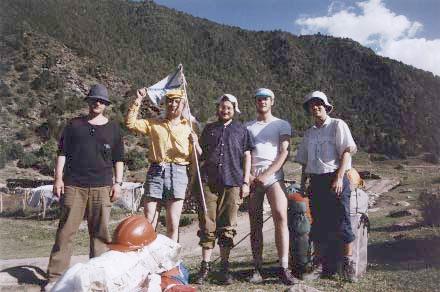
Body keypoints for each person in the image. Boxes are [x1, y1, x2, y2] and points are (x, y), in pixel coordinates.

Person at [45, 84, 124, 290]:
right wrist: (58, 179)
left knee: (100, 234)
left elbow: (119, 159)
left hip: (102, 186)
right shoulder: (73, 125)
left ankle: (96, 278)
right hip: (74, 185)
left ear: (106, 104)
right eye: (94, 99)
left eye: (102, 100)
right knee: (66, 231)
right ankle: (55, 278)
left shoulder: (114, 128)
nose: (97, 103)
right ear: (88, 101)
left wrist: (118, 183)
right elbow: (62, 153)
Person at [295, 90, 357, 281]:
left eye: (319, 103)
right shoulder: (309, 133)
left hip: (335, 177)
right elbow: (305, 162)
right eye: (312, 105)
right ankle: (321, 265)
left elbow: (347, 152)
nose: (315, 107)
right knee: (319, 224)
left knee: (342, 221)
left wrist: (339, 178)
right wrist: (303, 183)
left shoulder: (338, 125)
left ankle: (347, 265)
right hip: (316, 180)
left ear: (326, 106)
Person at [191, 94, 253, 285]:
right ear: (217, 108)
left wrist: (245, 182)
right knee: (207, 225)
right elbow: (201, 154)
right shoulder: (209, 129)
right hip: (209, 182)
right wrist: (194, 142)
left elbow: (247, 156)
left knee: (227, 227)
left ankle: (224, 268)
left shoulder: (242, 130)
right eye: (222, 107)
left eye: (228, 108)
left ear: (234, 109)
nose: (224, 110)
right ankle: (205, 267)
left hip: (232, 182)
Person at [125, 88, 194, 242]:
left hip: (179, 172)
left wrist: (193, 179)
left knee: (172, 223)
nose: (173, 104)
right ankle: (148, 255)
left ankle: (170, 260)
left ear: (183, 105)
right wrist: (138, 100)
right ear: (165, 103)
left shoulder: (189, 127)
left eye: (177, 101)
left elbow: (193, 156)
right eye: (170, 101)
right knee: (149, 219)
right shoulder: (154, 123)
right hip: (156, 170)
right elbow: (130, 123)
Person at [246, 88, 297, 285]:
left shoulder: (281, 124)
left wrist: (267, 174)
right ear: (255, 102)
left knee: (281, 217)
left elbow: (284, 152)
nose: (262, 102)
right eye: (259, 99)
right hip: (253, 178)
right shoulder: (248, 126)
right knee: (255, 223)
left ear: (272, 101)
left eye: (266, 99)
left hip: (274, 177)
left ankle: (284, 267)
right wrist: (249, 176)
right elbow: (246, 154)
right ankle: (257, 268)